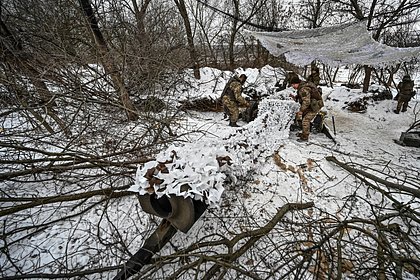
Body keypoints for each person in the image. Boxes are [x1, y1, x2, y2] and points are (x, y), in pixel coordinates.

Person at [290, 76, 324, 141]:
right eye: (292, 85)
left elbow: (306, 102)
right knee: (303, 118)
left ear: (297, 83)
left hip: (315, 106)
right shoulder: (302, 87)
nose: (293, 86)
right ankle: (304, 133)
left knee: (305, 120)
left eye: (293, 84)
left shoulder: (303, 89)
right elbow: (303, 97)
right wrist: (295, 97)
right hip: (312, 105)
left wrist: (301, 110)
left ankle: (305, 137)